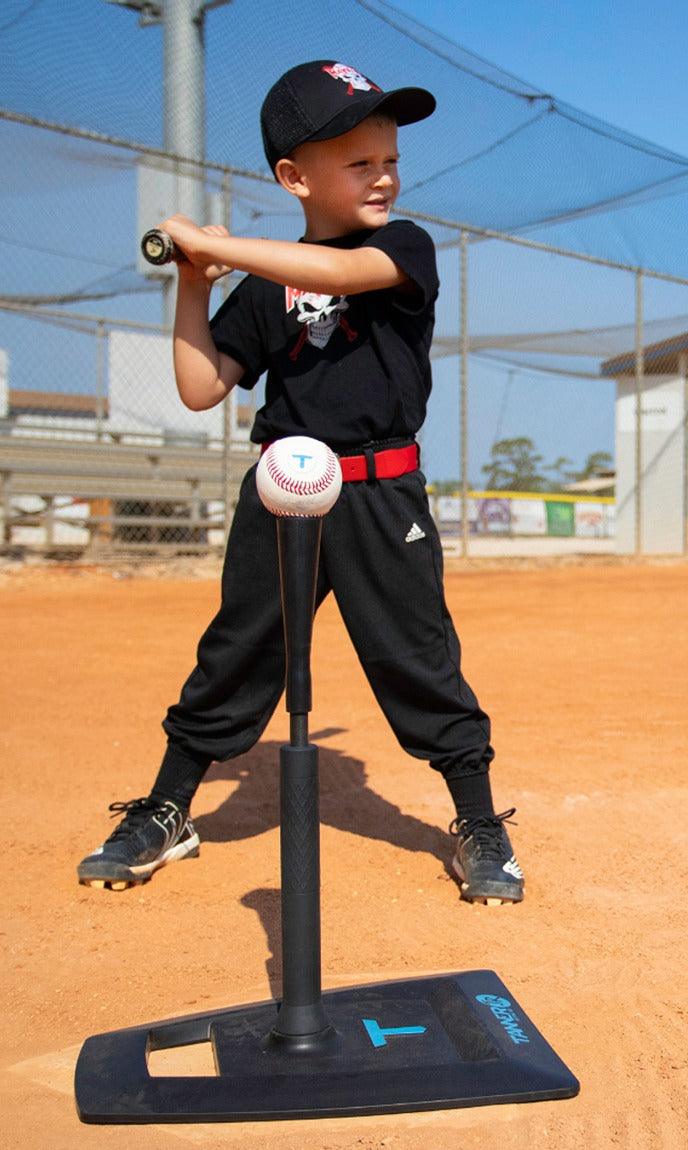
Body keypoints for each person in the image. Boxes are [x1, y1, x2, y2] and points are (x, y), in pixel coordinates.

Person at [77, 60, 523, 906]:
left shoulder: (403, 248)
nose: (384, 174)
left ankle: (475, 819)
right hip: (282, 493)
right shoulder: (260, 284)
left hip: (379, 493)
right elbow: (202, 385)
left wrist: (217, 243)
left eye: (390, 158)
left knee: (418, 657)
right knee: (238, 651)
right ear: (294, 177)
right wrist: (193, 284)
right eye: (360, 162)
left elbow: (337, 277)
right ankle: (169, 808)